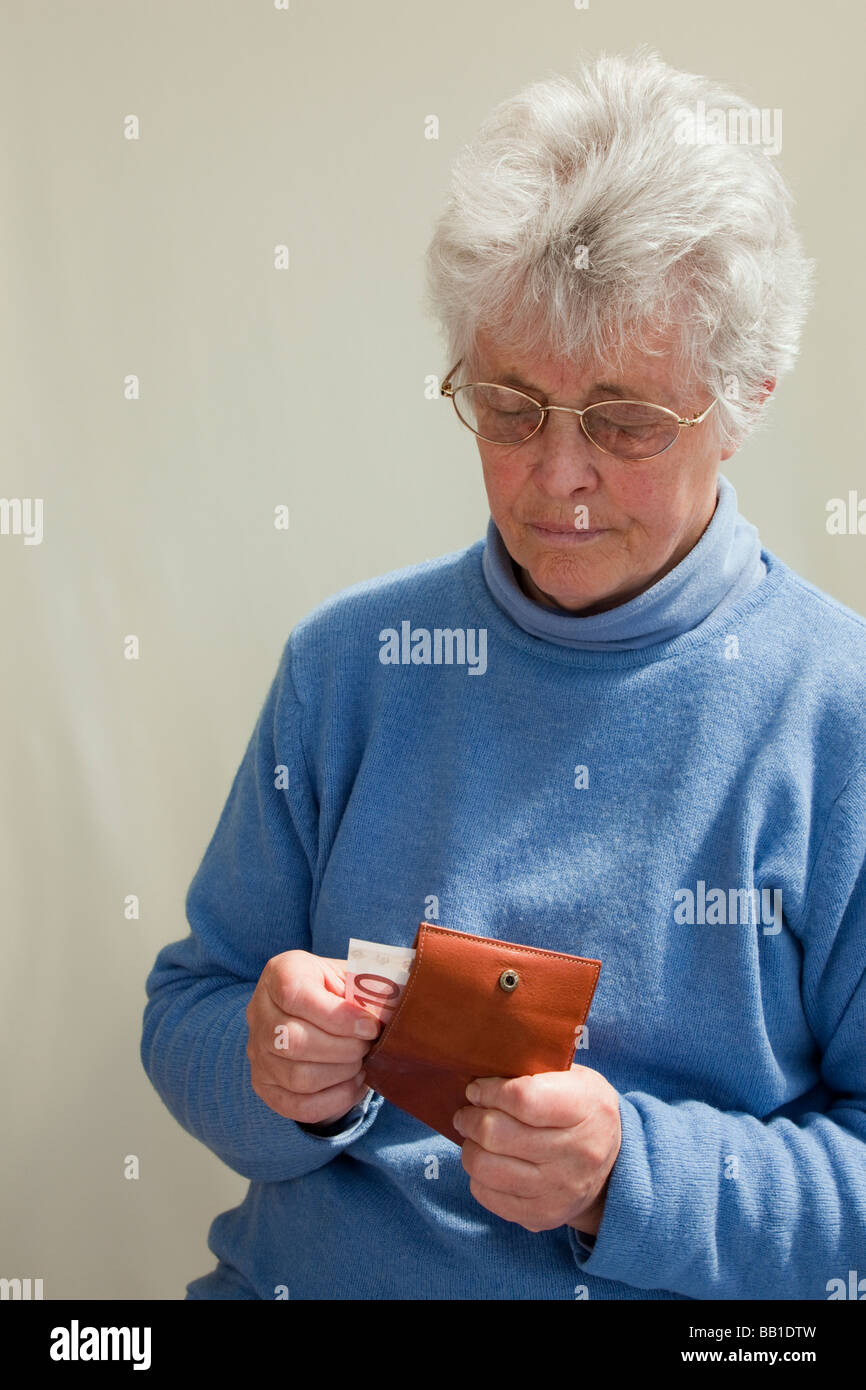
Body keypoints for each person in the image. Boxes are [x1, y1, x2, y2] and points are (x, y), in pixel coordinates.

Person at [141, 47, 866, 1300]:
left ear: (742, 399)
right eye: (509, 405)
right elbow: (189, 1005)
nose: (555, 476)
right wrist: (266, 1068)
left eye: (626, 421)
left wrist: (630, 1177)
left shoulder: (833, 715)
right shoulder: (347, 666)